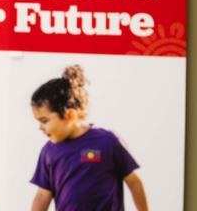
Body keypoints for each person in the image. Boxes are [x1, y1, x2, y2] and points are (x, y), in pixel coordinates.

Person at [29, 65, 147, 211]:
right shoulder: (48, 151)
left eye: (44, 121)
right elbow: (43, 194)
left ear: (70, 115)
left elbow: (133, 182)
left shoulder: (107, 141)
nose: (40, 128)